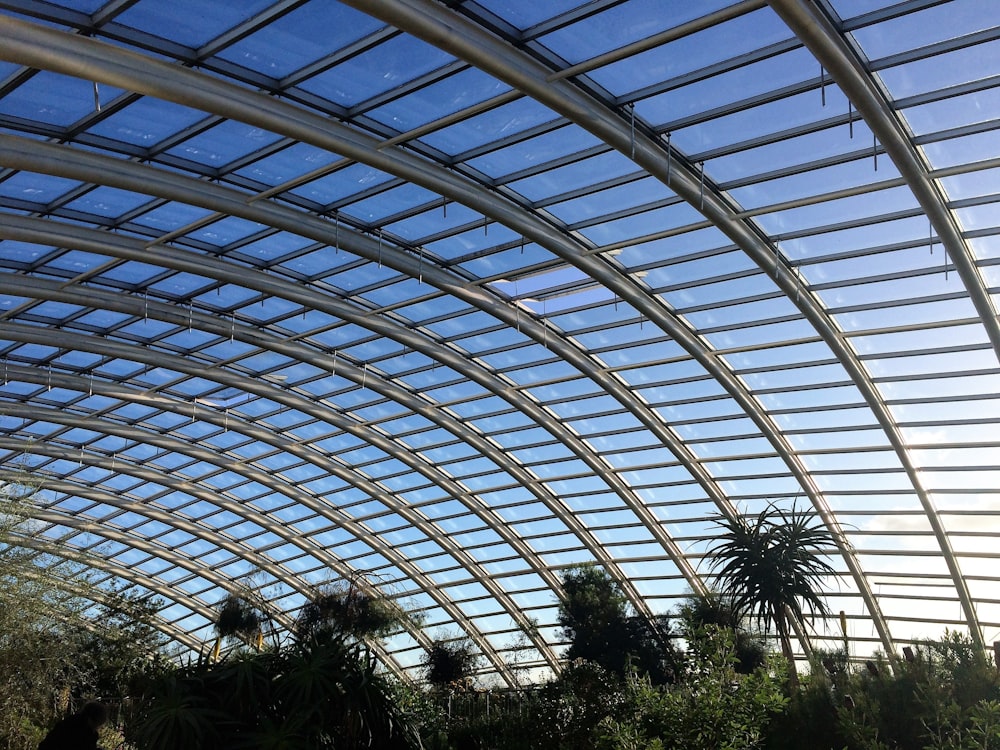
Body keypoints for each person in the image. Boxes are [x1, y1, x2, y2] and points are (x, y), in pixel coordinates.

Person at [38, 701, 108, 750]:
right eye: (97, 725)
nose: (97, 728)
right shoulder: (82, 732)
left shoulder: (68, 723)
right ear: (90, 720)